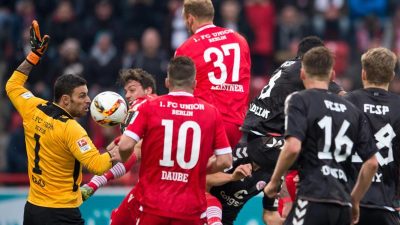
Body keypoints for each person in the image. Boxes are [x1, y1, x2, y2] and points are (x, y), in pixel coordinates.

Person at [5, 20, 118, 225]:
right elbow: (99, 166)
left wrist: (33, 56)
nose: (88, 101)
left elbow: (12, 85)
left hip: (32, 208)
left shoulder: (33, 108)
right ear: (65, 100)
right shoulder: (71, 129)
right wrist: (125, 143)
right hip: (61, 214)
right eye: (82, 96)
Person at [264, 46, 379, 225]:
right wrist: (355, 199)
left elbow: (293, 147)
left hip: (312, 197)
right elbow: (372, 163)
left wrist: (274, 181)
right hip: (342, 204)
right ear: (332, 75)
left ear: (302, 74)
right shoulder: (352, 110)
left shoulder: (299, 99)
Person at [116, 56, 233, 225]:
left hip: (152, 205)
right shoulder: (211, 113)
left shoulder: (150, 107)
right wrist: (201, 169)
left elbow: (126, 145)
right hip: (191, 208)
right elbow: (225, 160)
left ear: (167, 82)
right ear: (194, 83)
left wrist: (126, 157)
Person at [241, 35, 344, 217]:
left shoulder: (287, 65)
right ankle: (302, 205)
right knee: (317, 155)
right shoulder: (302, 70)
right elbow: (343, 96)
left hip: (260, 137)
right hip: (266, 141)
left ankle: (288, 201)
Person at [81, 68, 157, 225]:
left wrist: (118, 143)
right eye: (126, 91)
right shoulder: (138, 111)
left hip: (162, 185)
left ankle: (94, 184)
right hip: (151, 183)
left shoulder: (145, 104)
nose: (127, 95)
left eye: (132, 90)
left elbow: (134, 149)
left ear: (148, 90)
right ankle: (94, 184)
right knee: (117, 219)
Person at [175, 0, 251, 148]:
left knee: (201, 171)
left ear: (190, 18)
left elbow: (180, 94)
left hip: (205, 125)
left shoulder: (186, 49)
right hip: (237, 125)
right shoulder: (240, 40)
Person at [344, 47, 400, 225]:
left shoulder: (344, 103)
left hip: (348, 201)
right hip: (386, 203)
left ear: (363, 73)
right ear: (391, 76)